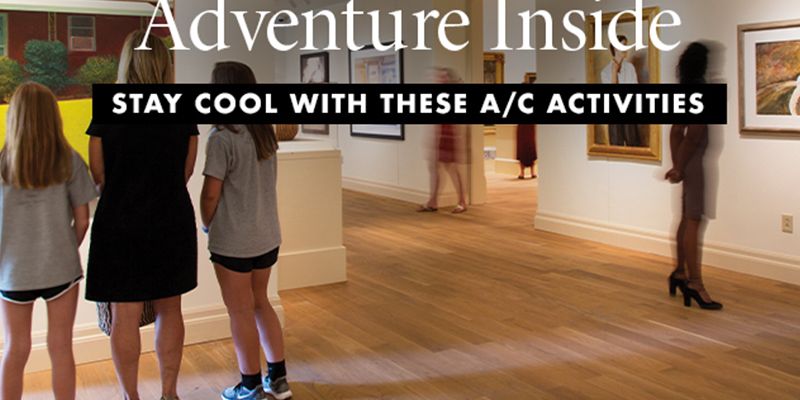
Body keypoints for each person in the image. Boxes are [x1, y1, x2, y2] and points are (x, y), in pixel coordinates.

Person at [85, 30, 199, 400]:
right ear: (164, 64)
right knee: (170, 308)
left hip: (120, 220)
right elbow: (186, 171)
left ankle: (130, 396)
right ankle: (169, 394)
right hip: (171, 218)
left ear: (127, 62)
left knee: (125, 314)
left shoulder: (110, 105)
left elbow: (98, 175)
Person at [201, 62, 293, 400]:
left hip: (234, 241)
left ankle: (249, 384)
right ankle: (279, 380)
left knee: (239, 311)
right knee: (260, 303)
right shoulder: (263, 132)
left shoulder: (222, 137)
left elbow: (211, 194)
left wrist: (206, 222)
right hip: (266, 235)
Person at [0, 83, 97, 400]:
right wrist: (67, 248)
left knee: (15, 348)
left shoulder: (1, 164)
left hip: (13, 274)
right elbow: (83, 219)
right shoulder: (69, 160)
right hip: (60, 270)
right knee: (61, 347)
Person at [665, 42, 722, 311]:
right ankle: (695, 283)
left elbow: (676, 131)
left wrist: (677, 164)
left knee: (686, 218)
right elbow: (693, 135)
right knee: (694, 220)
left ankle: (679, 273)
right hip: (696, 163)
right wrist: (681, 166)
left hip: (689, 163)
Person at [419, 67, 468, 214]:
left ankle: (462, 201)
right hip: (441, 136)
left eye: (443, 77)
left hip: (449, 136)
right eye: (439, 77)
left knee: (452, 169)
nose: (439, 79)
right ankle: (433, 201)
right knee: (435, 168)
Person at [601, 35, 641, 147]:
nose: (625, 48)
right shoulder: (605, 72)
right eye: (623, 45)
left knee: (633, 144)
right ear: (615, 48)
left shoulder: (630, 68)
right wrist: (614, 72)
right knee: (616, 145)